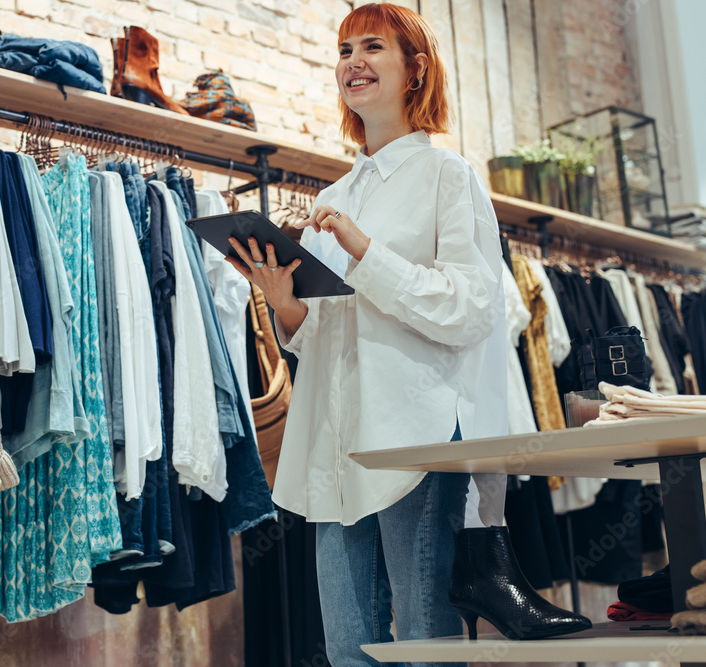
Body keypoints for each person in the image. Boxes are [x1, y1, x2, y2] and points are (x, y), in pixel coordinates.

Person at [227, 4, 590, 665]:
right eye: (344, 49)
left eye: (373, 46)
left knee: (426, 640)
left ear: (415, 70)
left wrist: (365, 250)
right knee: (345, 646)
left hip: (414, 432)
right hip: (336, 440)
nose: (353, 61)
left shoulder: (448, 176)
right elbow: (328, 333)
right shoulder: (338, 190)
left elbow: (471, 307)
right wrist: (285, 306)